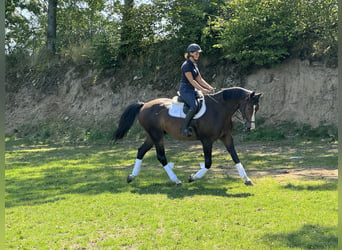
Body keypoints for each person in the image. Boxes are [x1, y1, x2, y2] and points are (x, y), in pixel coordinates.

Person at [179, 43, 214, 136]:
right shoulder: (186, 65)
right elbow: (192, 81)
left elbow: (200, 79)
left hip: (192, 89)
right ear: (190, 53)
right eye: (196, 53)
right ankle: (184, 128)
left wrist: (210, 87)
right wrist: (203, 90)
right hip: (185, 90)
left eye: (198, 53)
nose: (198, 55)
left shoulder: (194, 65)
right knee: (194, 106)